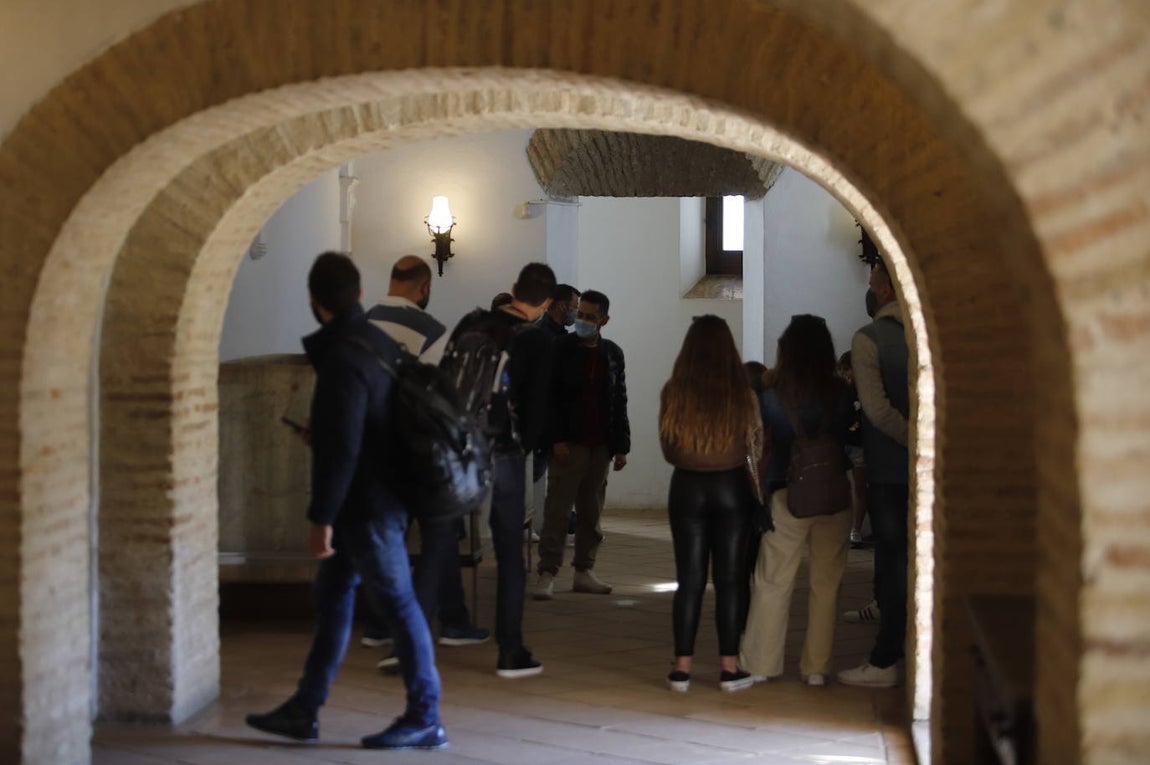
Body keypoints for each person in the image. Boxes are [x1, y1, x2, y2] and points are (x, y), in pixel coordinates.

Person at [245, 252, 446, 750]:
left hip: (368, 506)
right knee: (333, 601)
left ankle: (425, 717)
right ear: (358, 295)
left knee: (399, 606)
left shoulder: (342, 355)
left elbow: (343, 448)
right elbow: (363, 425)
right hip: (384, 494)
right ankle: (304, 709)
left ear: (314, 303)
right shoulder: (375, 341)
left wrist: (321, 519)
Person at [363, 255, 489, 664]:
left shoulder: (361, 326)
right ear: (423, 288)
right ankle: (447, 623)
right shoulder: (432, 332)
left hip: (369, 446)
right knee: (440, 534)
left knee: (386, 538)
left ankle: (380, 624)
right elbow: (438, 395)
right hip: (416, 448)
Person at [446, 263, 556, 677]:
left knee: (442, 537)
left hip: (457, 443)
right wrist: (526, 444)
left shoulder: (471, 322)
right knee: (510, 550)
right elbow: (536, 407)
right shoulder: (537, 341)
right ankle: (511, 650)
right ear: (545, 303)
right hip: (505, 449)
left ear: (513, 289)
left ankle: (426, 632)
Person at [739, 315, 855, 687]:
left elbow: (757, 443)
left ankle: (761, 663)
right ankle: (816, 668)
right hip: (834, 490)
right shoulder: (841, 392)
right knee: (827, 582)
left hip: (786, 491)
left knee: (773, 580)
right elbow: (849, 435)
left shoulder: (770, 394)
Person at [659, 315, 761, 692]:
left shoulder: (674, 390)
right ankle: (729, 668)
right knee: (730, 580)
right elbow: (755, 446)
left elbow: (668, 449)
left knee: (689, 580)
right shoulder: (742, 392)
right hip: (731, 487)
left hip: (686, 487)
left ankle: (681, 669)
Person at [837, 261, 910, 688]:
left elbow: (877, 409)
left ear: (883, 290)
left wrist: (914, 439)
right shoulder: (926, 332)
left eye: (870, 283)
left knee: (893, 556)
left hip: (888, 466)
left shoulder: (868, 340)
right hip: (928, 465)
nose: (869, 290)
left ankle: (886, 659)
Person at [534, 289, 630, 599]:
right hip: (569, 443)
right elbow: (548, 397)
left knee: (591, 510)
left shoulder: (613, 353)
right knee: (558, 511)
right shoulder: (560, 347)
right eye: (581, 315)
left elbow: (619, 399)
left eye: (591, 316)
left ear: (604, 319)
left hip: (600, 444)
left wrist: (621, 446)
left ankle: (584, 570)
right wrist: (556, 439)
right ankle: (547, 572)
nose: (583, 321)